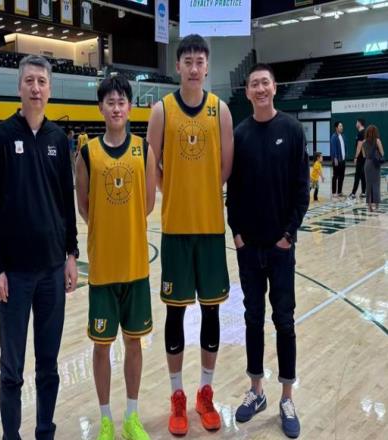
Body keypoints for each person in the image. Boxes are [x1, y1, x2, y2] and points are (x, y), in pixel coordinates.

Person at [0, 55, 78, 440]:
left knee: (48, 366)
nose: (36, 88)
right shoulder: (1, 138)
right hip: (14, 276)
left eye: (42, 81)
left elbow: (66, 201)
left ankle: (44, 431)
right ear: (19, 87)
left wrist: (71, 255)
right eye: (30, 81)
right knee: (12, 369)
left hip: (53, 270)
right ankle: (11, 435)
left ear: (50, 89)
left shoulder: (58, 139)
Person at [146, 34, 234, 436]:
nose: (195, 68)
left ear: (207, 66)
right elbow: (152, 164)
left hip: (211, 229)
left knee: (212, 312)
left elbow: (226, 167)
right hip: (177, 230)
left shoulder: (221, 110)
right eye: (188, 61)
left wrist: (203, 192)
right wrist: (175, 192)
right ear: (178, 66)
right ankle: (178, 396)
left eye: (200, 61)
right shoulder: (162, 110)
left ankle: (205, 393)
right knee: (175, 313)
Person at [227, 63, 309, 439]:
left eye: (265, 83)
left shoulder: (291, 130)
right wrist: (237, 234)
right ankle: (256, 391)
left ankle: (287, 397)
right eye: (254, 84)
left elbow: (301, 190)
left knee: (285, 321)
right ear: (247, 92)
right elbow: (233, 193)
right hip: (249, 249)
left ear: (275, 87)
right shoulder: (240, 134)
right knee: (252, 319)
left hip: (280, 249)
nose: (260, 89)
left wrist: (288, 235)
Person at [75, 75, 156, 440]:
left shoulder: (143, 149)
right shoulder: (87, 153)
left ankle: (131, 417)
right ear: (101, 108)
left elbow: (149, 202)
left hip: (136, 265)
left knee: (134, 343)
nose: (117, 107)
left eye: (122, 101)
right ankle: (106, 418)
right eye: (110, 102)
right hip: (103, 268)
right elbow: (84, 205)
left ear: (130, 107)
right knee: (102, 345)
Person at [362, 124, 385, 212]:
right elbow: (382, 153)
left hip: (367, 164)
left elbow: (364, 155)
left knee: (368, 185)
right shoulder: (377, 140)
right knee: (376, 184)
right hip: (375, 164)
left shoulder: (364, 142)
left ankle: (369, 206)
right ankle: (376, 205)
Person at [349, 118, 366, 199]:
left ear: (359, 123)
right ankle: (363, 192)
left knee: (357, 175)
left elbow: (359, 146)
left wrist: (355, 157)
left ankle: (353, 193)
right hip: (364, 157)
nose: (356, 124)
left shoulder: (361, 133)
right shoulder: (365, 132)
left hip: (360, 157)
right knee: (363, 175)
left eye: (356, 122)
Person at [330, 121, 346, 198]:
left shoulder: (342, 136)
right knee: (335, 176)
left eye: (342, 126)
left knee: (341, 176)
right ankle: (334, 192)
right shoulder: (334, 137)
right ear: (336, 128)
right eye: (340, 126)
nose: (342, 127)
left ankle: (339, 192)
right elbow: (333, 149)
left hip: (343, 160)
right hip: (337, 160)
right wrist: (335, 159)